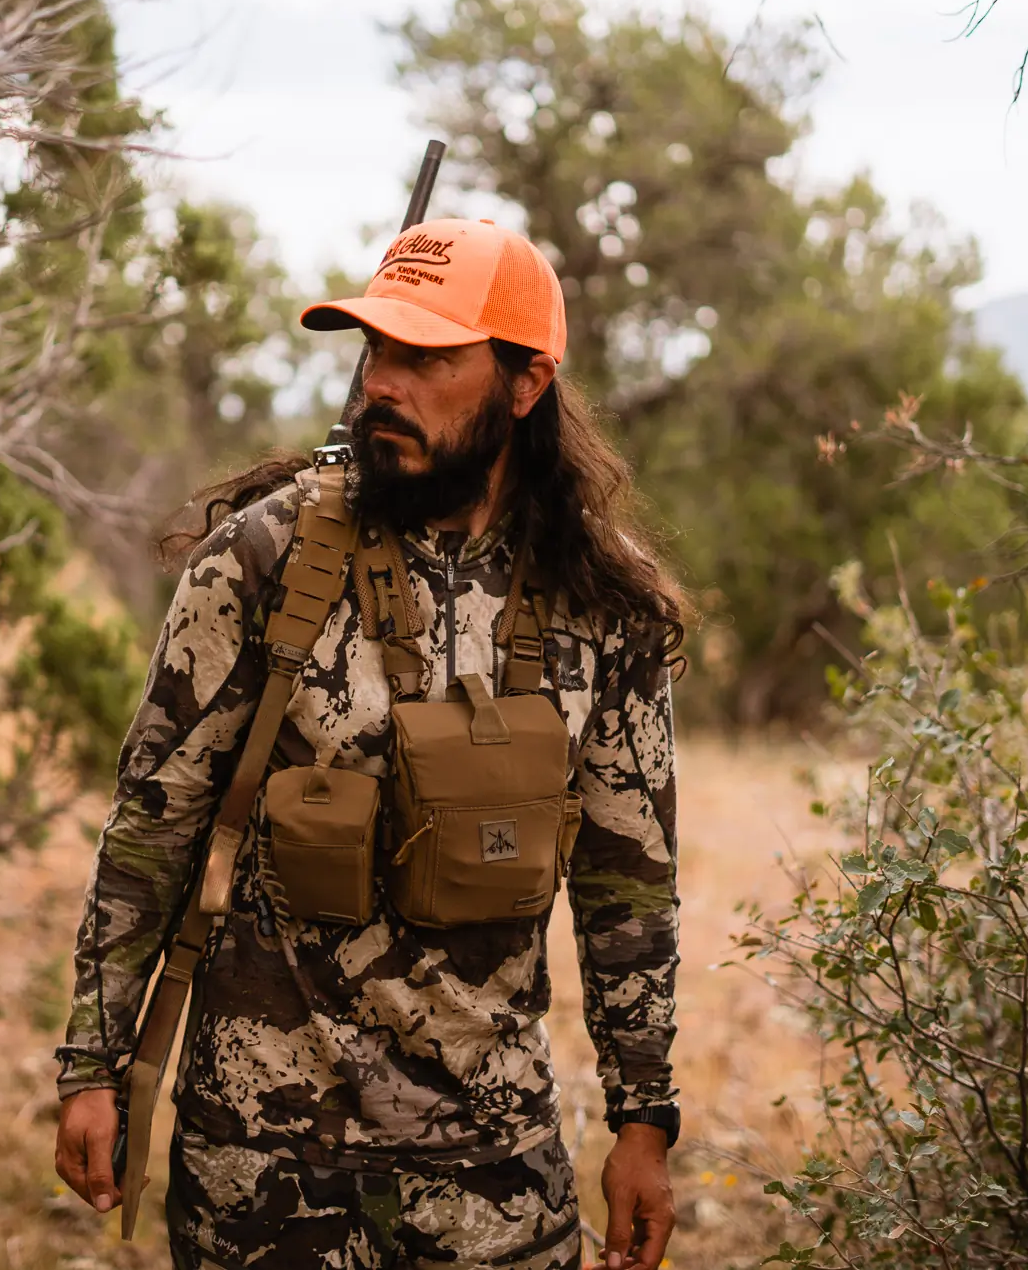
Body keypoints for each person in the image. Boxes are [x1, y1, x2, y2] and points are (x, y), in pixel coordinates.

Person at [53, 217, 683, 1270]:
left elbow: (630, 883)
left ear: (525, 384)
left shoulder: (602, 597)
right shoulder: (264, 558)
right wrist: (92, 1064)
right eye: (378, 349)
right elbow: (153, 826)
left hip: (494, 1177)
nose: (383, 383)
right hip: (262, 1167)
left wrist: (643, 1120)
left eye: (428, 358)